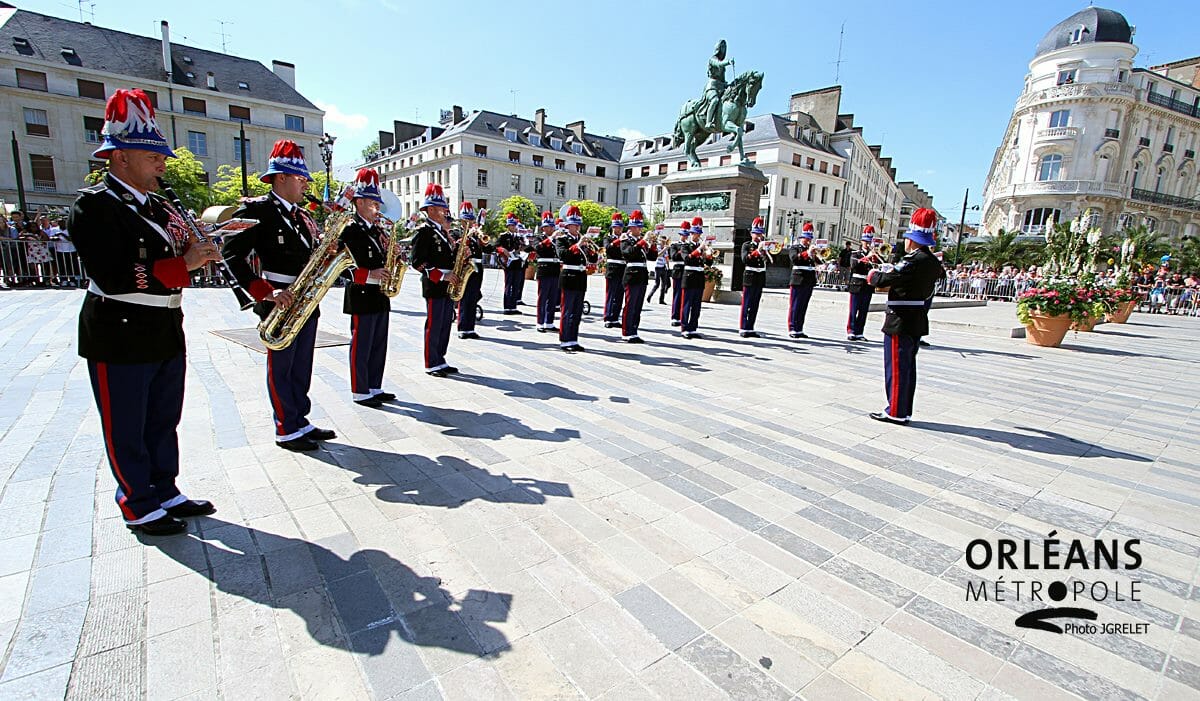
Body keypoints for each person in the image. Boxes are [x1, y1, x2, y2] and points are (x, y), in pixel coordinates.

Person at [72, 88, 219, 536]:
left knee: (162, 416)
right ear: (119, 159)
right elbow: (116, 273)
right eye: (152, 156)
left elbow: (175, 250)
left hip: (164, 324)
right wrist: (185, 263)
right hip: (119, 328)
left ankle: (164, 486)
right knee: (126, 423)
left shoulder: (158, 205)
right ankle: (136, 501)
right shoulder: (93, 206)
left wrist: (203, 244)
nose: (162, 164)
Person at [223, 139, 338, 451]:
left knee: (302, 364)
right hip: (279, 297)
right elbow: (230, 254)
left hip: (305, 298)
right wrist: (264, 292)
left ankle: (300, 418)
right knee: (282, 364)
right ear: (281, 178)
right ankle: (285, 428)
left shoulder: (302, 217)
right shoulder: (256, 210)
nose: (305, 186)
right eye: (301, 180)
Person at [866, 208, 946, 424]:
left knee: (897, 367)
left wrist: (873, 274)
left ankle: (896, 411)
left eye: (908, 239)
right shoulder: (933, 261)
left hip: (900, 319)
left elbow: (882, 280)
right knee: (908, 367)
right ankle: (904, 409)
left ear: (913, 239)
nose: (906, 243)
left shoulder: (913, 260)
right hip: (916, 317)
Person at [339, 168, 395, 408]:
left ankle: (374, 386)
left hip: (379, 293)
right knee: (361, 344)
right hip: (361, 292)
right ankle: (360, 390)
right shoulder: (349, 229)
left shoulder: (377, 230)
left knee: (378, 342)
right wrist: (367, 273)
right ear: (359, 202)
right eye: (373, 202)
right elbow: (338, 264)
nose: (377, 208)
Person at [408, 183, 459, 376]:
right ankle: (431, 362)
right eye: (441, 207)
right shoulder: (424, 231)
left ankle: (440, 358)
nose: (445, 211)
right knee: (434, 323)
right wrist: (442, 275)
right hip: (435, 283)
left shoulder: (444, 233)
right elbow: (418, 262)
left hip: (448, 283)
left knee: (446, 323)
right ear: (430, 209)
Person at [454, 202, 492, 340]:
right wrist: (468, 236)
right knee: (464, 298)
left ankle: (470, 328)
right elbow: (455, 246)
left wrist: (483, 241)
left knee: (473, 297)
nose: (469, 223)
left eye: (471, 220)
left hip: (477, 269)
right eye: (466, 220)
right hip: (465, 267)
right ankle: (463, 328)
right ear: (461, 220)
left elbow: (489, 249)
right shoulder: (456, 232)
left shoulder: (477, 235)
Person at [556, 205, 590, 352]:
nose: (576, 227)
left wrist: (593, 251)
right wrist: (578, 245)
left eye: (578, 225)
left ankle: (573, 339)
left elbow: (591, 258)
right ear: (568, 226)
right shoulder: (562, 240)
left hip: (580, 278)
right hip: (568, 277)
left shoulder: (583, 241)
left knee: (577, 311)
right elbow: (563, 256)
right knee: (567, 310)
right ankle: (565, 341)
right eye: (573, 225)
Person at [619, 210, 653, 343]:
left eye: (640, 227)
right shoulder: (625, 240)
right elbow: (628, 253)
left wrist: (652, 244)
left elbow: (652, 256)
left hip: (642, 276)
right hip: (631, 275)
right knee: (630, 305)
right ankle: (626, 332)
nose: (640, 229)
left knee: (638, 306)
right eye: (637, 227)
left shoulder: (641, 241)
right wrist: (642, 242)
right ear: (631, 228)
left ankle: (634, 330)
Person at [680, 219, 712, 339]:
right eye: (695, 234)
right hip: (689, 277)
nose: (697, 236)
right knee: (687, 304)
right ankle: (684, 328)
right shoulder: (686, 246)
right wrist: (699, 250)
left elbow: (709, 263)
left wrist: (708, 254)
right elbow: (687, 259)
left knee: (696, 305)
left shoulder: (701, 247)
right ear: (691, 234)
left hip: (699, 278)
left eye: (699, 234)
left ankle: (693, 328)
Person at [787, 222, 819, 339]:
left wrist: (816, 255)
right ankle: (792, 328)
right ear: (802, 238)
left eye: (810, 238)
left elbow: (820, 262)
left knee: (803, 306)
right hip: (798, 279)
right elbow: (794, 259)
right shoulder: (795, 248)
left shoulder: (810, 249)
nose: (808, 241)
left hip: (808, 280)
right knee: (795, 305)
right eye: (807, 238)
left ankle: (799, 328)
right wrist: (807, 253)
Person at [846, 225, 877, 341]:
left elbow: (877, 268)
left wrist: (874, 259)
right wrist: (867, 258)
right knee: (853, 310)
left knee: (864, 310)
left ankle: (860, 332)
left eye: (869, 242)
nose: (868, 244)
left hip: (867, 286)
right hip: (856, 284)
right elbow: (854, 266)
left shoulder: (874, 255)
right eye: (866, 241)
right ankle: (851, 331)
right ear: (861, 242)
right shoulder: (855, 253)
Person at [739, 217, 768, 338]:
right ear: (751, 234)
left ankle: (750, 327)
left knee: (755, 304)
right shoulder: (747, 245)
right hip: (750, 277)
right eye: (756, 233)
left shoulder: (765, 246)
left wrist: (766, 252)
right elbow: (745, 259)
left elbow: (772, 260)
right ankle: (743, 327)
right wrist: (758, 251)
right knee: (747, 303)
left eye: (760, 233)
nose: (758, 236)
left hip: (760, 276)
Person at [532, 210, 561, 332]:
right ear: (543, 227)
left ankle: (549, 322)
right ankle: (540, 322)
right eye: (548, 227)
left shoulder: (557, 239)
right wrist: (550, 239)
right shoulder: (538, 238)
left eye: (552, 226)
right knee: (542, 297)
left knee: (553, 297)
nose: (551, 229)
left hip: (555, 270)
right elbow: (538, 248)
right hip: (544, 269)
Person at [496, 212, 524, 314]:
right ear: (508, 226)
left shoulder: (518, 236)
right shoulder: (504, 236)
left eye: (514, 225)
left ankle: (513, 306)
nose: (513, 227)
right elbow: (497, 246)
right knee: (509, 284)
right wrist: (503, 250)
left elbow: (523, 247)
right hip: (508, 262)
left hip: (517, 262)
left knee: (516, 284)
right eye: (511, 225)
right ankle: (507, 307)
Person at [602, 212, 626, 328]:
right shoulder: (608, 237)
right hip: (612, 269)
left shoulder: (625, 238)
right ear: (613, 227)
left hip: (622, 269)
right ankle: (608, 317)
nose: (619, 229)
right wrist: (618, 241)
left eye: (620, 227)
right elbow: (608, 249)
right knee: (611, 294)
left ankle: (615, 317)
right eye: (617, 227)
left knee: (619, 295)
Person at [669, 221, 689, 326]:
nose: (684, 237)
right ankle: (675, 317)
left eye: (686, 235)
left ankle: (682, 316)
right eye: (683, 235)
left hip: (686, 270)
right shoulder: (674, 245)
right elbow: (673, 256)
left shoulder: (689, 245)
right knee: (677, 294)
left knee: (685, 295)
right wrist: (682, 251)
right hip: (677, 270)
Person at [647, 224, 670, 304]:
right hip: (658, 267)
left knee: (664, 284)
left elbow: (666, 257)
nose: (664, 242)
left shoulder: (665, 247)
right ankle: (649, 296)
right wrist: (664, 249)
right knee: (657, 284)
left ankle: (661, 299)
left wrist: (668, 266)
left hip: (663, 267)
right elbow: (658, 255)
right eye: (663, 241)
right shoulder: (659, 247)